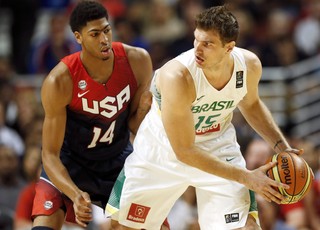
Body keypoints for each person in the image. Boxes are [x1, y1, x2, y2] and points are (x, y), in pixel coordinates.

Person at [109, 5, 304, 229]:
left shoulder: (249, 66)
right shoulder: (178, 76)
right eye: (196, 40)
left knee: (244, 226)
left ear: (229, 47)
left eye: (208, 43)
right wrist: (246, 177)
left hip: (216, 146)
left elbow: (251, 105)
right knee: (125, 227)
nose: (197, 49)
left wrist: (282, 148)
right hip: (163, 151)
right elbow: (184, 151)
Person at [31, 1, 155, 229]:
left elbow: (135, 127)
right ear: (78, 37)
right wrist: (75, 194)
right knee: (43, 225)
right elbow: (49, 155)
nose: (104, 40)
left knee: (149, 225)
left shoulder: (137, 60)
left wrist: (145, 109)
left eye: (107, 30)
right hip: (71, 162)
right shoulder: (59, 80)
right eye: (95, 34)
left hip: (117, 159)